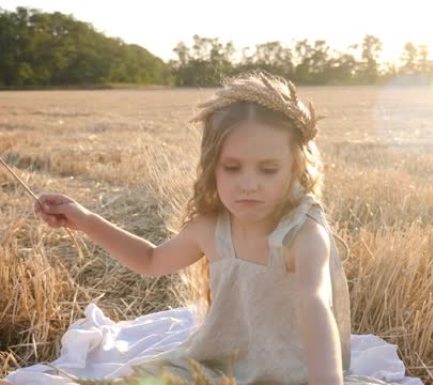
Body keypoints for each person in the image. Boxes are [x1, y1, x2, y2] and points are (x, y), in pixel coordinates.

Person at [1, 71, 400, 385]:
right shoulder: (212, 227)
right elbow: (151, 260)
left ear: (296, 169)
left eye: (268, 170)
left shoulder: (302, 234)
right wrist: (86, 219)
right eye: (233, 168)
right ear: (212, 168)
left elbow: (315, 307)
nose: (248, 183)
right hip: (217, 365)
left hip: (296, 372)